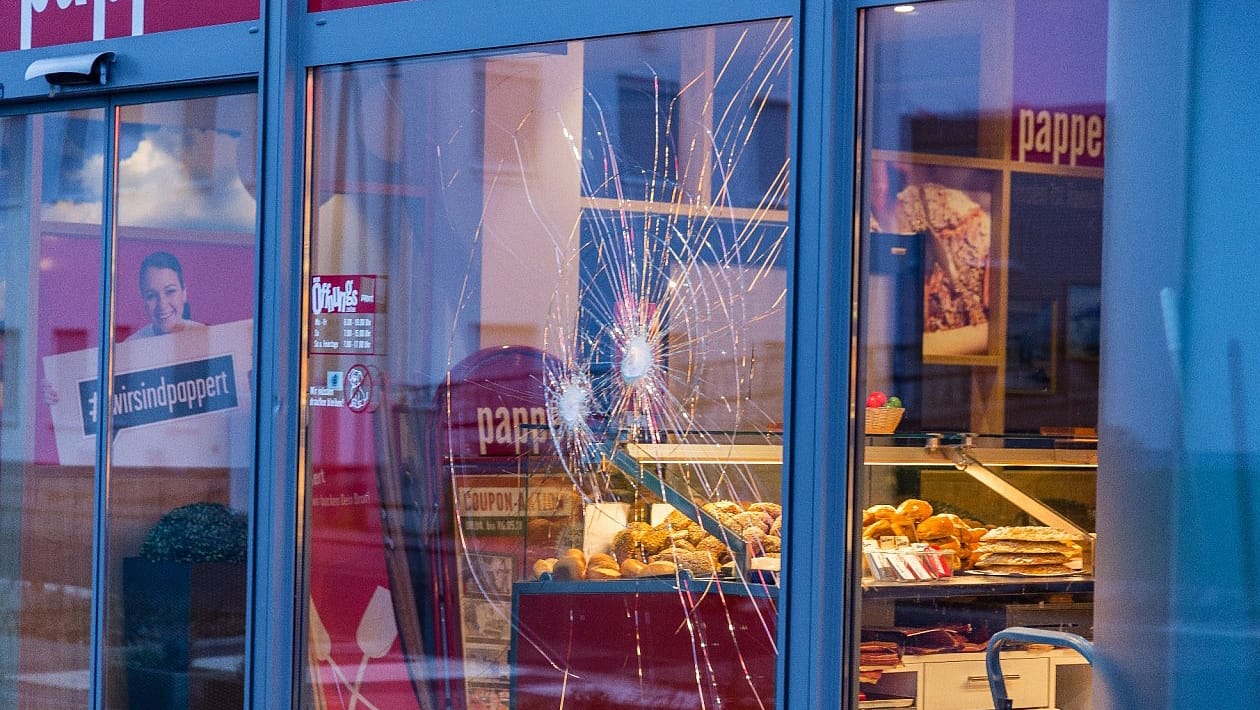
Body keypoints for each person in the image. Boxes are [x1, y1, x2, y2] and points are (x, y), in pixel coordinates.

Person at [126, 251, 204, 340]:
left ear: (184, 293)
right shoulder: (132, 345)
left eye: (170, 291)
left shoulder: (206, 339)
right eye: (151, 296)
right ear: (143, 300)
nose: (162, 305)